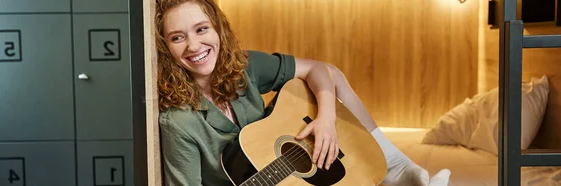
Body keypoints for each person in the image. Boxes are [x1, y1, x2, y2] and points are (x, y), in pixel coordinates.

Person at [156, 0, 452, 185]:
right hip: (264, 179)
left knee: (331, 76)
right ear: (165, 48)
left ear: (218, 29)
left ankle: (397, 167)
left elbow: (320, 70)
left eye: (201, 29)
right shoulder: (179, 122)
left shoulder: (244, 66)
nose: (194, 46)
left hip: (283, 158)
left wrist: (325, 119)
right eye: (177, 37)